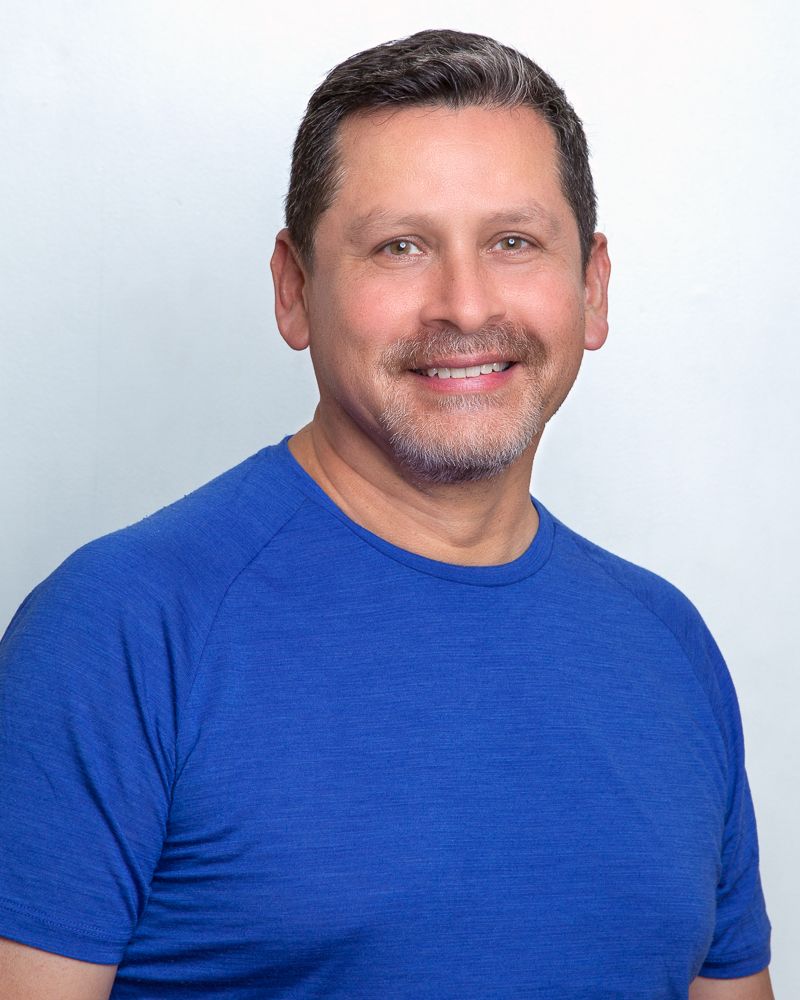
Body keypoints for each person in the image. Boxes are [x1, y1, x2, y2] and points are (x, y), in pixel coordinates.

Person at [0, 28, 773, 1000]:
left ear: (591, 288)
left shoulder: (666, 645)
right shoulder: (118, 629)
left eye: (512, 241)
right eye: (399, 246)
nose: (461, 303)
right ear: (293, 291)